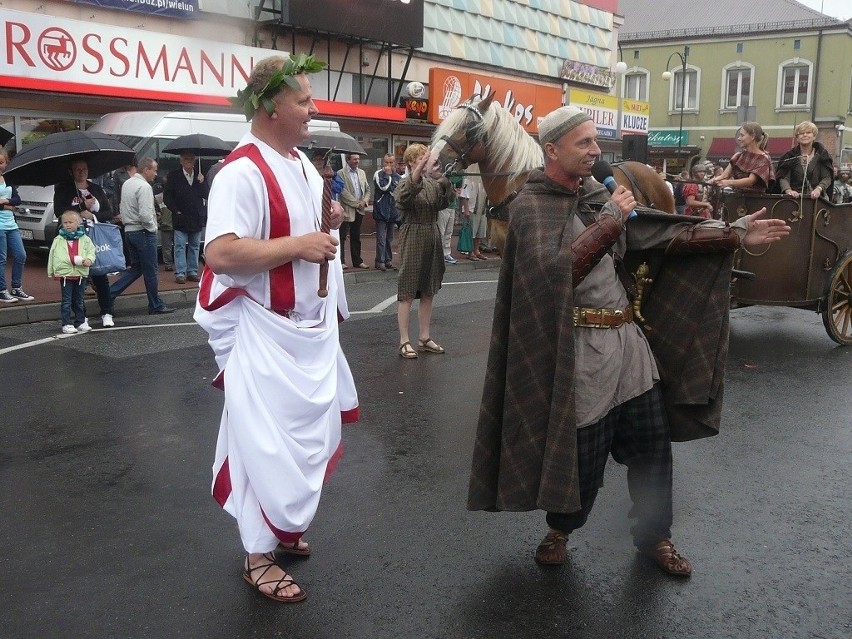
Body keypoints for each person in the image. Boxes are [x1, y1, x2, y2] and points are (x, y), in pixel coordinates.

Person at [466, 106, 790, 578]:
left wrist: (734, 233)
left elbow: (657, 235)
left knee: (653, 449)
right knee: (582, 459)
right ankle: (561, 527)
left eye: (596, 141)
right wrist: (610, 223)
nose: (597, 151)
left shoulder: (597, 195)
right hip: (577, 354)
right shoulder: (530, 207)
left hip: (628, 346)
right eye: (585, 143)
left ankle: (656, 537)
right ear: (551, 150)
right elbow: (555, 276)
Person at [193, 53, 358, 604]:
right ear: (269, 108)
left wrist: (326, 222)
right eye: (304, 100)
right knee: (260, 445)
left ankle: (281, 526)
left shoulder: (301, 163)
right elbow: (220, 253)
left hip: (308, 333)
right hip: (265, 332)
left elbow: (306, 227)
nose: (314, 109)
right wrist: (299, 244)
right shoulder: (241, 171)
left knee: (308, 441)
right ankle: (258, 555)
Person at [395, 143, 453, 359]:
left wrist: (443, 180)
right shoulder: (404, 183)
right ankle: (404, 341)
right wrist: (421, 167)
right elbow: (406, 195)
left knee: (429, 290)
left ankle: (424, 337)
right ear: (412, 162)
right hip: (413, 236)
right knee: (408, 292)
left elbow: (444, 203)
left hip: (431, 233)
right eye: (421, 158)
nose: (428, 161)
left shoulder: (431, 183)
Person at [53, 158, 116, 327]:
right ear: (72, 171)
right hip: (73, 240)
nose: (81, 172)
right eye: (77, 169)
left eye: (84, 169)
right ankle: (82, 316)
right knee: (79, 279)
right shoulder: (64, 189)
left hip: (94, 237)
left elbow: (108, 212)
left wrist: (92, 215)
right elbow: (59, 211)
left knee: (101, 276)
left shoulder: (95, 188)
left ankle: (107, 312)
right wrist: (80, 207)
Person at [108, 157, 174, 315]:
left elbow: (122, 206)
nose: (156, 174)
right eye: (154, 170)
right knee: (151, 270)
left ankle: (109, 294)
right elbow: (145, 214)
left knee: (137, 268)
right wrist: (153, 227)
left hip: (129, 230)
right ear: (146, 170)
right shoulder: (144, 187)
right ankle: (155, 304)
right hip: (143, 232)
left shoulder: (127, 184)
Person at [48, 211, 97, 334]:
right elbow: (55, 256)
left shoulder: (85, 239)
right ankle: (66, 323)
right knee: (66, 300)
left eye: (71, 222)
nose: (68, 225)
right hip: (65, 274)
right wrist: (53, 271)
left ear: (78, 223)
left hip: (80, 273)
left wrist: (89, 260)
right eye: (65, 222)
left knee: (79, 299)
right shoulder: (58, 239)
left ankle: (80, 321)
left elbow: (91, 251)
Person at [163, 151, 208, 284]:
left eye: (192, 159)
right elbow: (167, 196)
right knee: (180, 246)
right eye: (186, 159)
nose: (189, 161)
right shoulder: (174, 176)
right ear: (181, 161)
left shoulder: (199, 176)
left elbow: (206, 194)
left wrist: (202, 182)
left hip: (196, 217)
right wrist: (176, 210)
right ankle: (181, 273)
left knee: (194, 246)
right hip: (181, 217)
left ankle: (192, 272)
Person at [0, 148, 34, 303]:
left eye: (1, 162)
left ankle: (16, 287)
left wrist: (5, 202)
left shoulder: (9, 179)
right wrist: (7, 205)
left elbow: (17, 200)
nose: (0, 166)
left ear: (6, 163)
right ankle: (1, 290)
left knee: (21, 255)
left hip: (11, 224)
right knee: (2, 259)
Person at [708, 121, 774, 193]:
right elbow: (724, 176)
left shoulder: (763, 158)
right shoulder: (737, 156)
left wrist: (727, 182)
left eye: (742, 135)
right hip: (738, 198)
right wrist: (711, 182)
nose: (739, 138)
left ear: (752, 136)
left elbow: (750, 181)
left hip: (755, 200)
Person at [776, 121, 834, 201]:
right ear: (797, 138)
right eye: (801, 133)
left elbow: (827, 177)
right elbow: (783, 177)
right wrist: (788, 190)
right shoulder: (790, 156)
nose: (805, 135)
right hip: (794, 200)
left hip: (817, 201)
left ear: (814, 136)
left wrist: (818, 189)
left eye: (808, 132)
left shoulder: (822, 155)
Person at [338, 153, 370, 269]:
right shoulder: (340, 173)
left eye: (358, 159)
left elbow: (367, 189)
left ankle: (358, 261)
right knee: (342, 236)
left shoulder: (362, 173)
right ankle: (341, 261)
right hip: (347, 209)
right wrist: (356, 203)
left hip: (360, 210)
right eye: (354, 159)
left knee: (356, 236)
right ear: (348, 160)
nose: (357, 161)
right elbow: (343, 192)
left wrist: (364, 201)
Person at [372, 153, 401, 271]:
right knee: (381, 239)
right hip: (381, 211)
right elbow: (383, 187)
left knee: (389, 238)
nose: (388, 165)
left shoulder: (398, 177)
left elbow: (397, 192)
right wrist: (388, 176)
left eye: (391, 162)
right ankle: (380, 261)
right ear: (383, 163)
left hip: (392, 212)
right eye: (386, 162)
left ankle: (388, 260)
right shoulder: (378, 174)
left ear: (394, 163)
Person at [459, 168, 489, 260]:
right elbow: (463, 195)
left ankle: (477, 251)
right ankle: (470, 252)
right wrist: (466, 210)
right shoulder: (469, 179)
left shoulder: (483, 180)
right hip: (472, 209)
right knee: (471, 232)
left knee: (480, 232)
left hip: (482, 209)